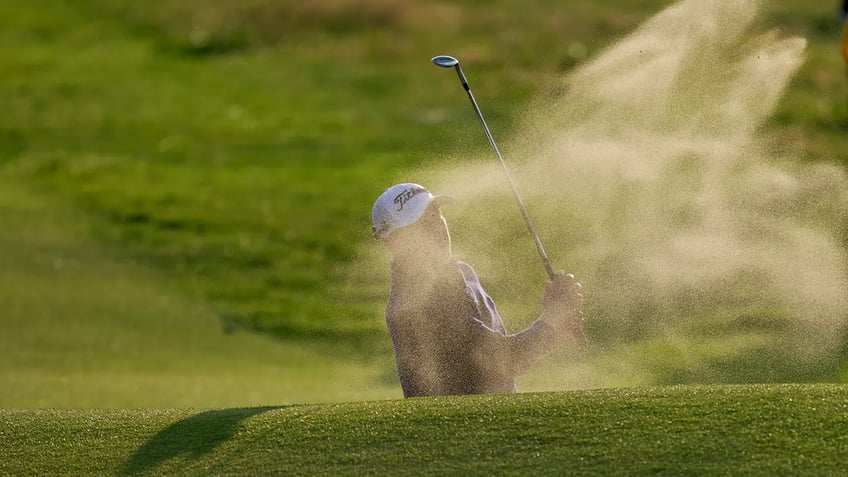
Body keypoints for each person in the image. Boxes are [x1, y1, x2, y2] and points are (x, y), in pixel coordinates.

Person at [371, 183, 585, 398]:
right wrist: (552, 318)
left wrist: (558, 328)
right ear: (394, 241)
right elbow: (506, 360)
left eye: (436, 214)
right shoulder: (415, 303)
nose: (438, 226)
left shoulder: (460, 273)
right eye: (422, 223)